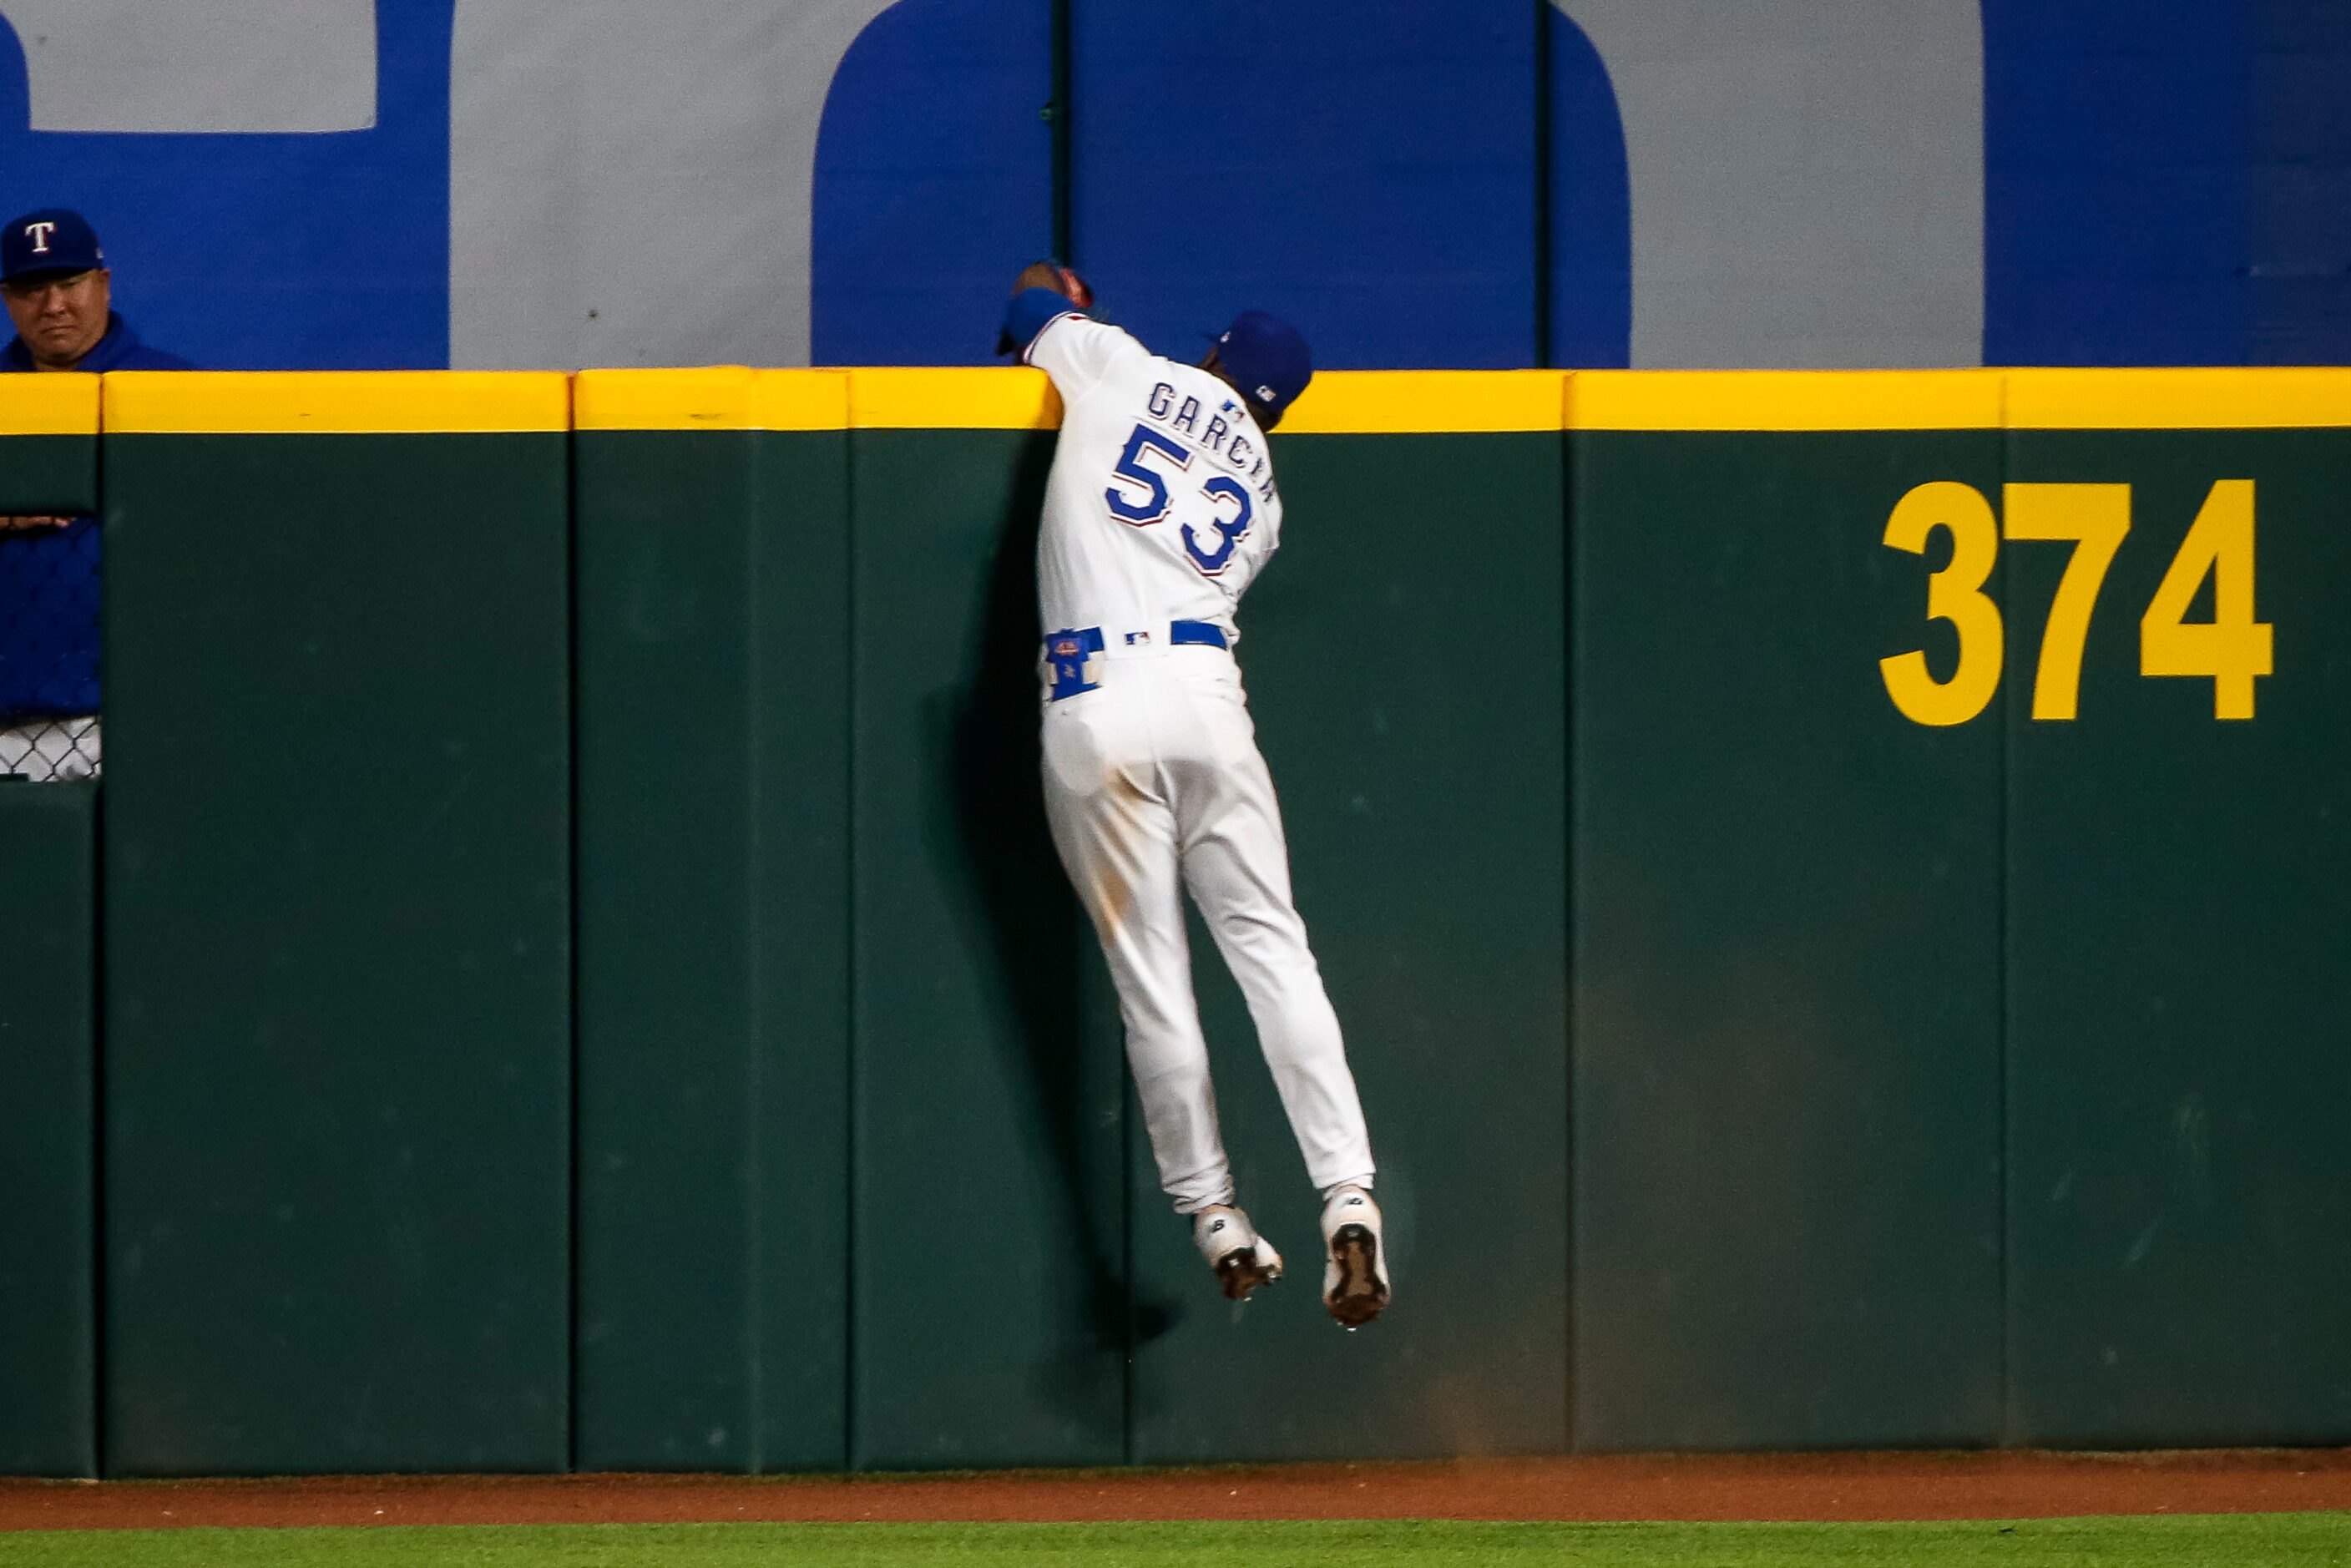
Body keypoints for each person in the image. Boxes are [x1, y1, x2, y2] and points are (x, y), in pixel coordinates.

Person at [998, 262, 1390, 1328]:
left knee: (1152, 981)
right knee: (1273, 951)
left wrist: (1062, 291)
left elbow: (1030, 306)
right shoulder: (1262, 500)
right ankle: (1347, 1200)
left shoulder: (1119, 365)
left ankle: (1215, 1218)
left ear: (1213, 352)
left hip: (1093, 701)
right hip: (1208, 704)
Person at [0, 208, 194, 780]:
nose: (54, 305)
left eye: (70, 283)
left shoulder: (177, 395)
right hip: (9, 719)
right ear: (7, 298)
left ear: (102, 285)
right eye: (32, 288)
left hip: (142, 715)